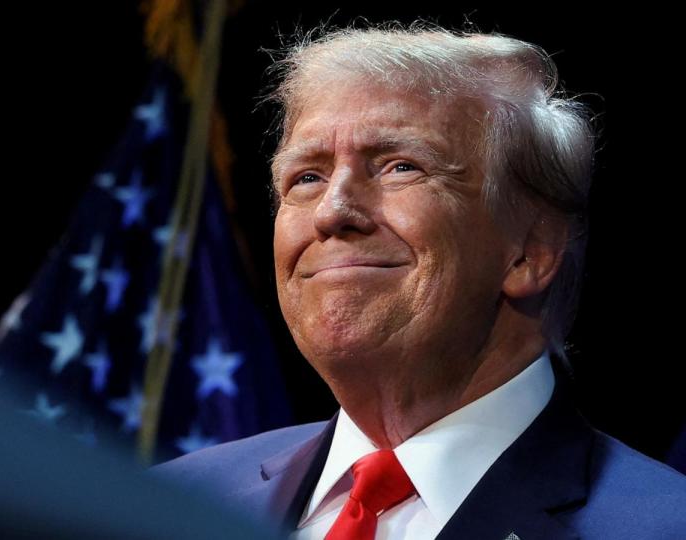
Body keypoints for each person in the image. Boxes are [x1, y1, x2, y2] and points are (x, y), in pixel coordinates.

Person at [154, 24, 686, 539]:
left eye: (399, 167)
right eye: (307, 177)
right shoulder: (165, 506)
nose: (331, 212)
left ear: (531, 251)